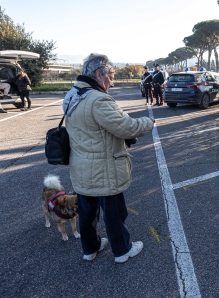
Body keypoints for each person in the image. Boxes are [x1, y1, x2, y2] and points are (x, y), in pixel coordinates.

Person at [63, 53, 155, 264]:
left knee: (87, 212)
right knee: (114, 212)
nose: (112, 82)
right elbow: (126, 127)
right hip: (104, 168)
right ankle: (123, 251)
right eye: (111, 75)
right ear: (98, 74)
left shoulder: (73, 95)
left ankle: (90, 248)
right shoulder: (98, 99)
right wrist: (148, 122)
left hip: (81, 167)